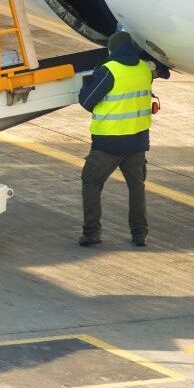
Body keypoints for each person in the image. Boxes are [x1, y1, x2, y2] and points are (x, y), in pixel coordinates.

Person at [77, 30, 157, 248]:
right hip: (137, 142)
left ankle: (92, 232)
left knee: (91, 182)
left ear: (112, 50)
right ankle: (139, 234)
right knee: (136, 186)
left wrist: (86, 85)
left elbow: (87, 102)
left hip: (108, 144)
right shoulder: (144, 70)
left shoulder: (108, 71)